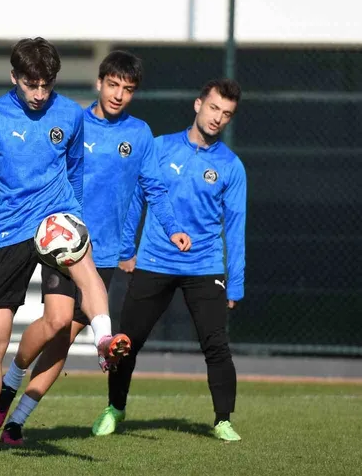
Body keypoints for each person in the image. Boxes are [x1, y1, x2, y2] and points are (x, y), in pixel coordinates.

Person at [0, 51, 191, 445]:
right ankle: (12, 379)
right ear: (99, 83)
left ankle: (16, 421)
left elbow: (154, 187)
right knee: (54, 323)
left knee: (63, 338)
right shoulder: (71, 119)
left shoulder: (139, 134)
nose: (119, 94)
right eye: (113, 85)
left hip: (101, 250)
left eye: (128, 89)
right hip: (60, 238)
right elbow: (21, 169)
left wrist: (172, 229)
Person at [0, 38, 135, 461]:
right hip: (8, 232)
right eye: (31, 85)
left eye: (46, 85)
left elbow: (74, 170)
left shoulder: (69, 114)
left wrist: (76, 217)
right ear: (14, 77)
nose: (39, 94)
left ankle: (103, 339)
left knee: (75, 295)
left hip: (55, 220)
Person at [92, 78, 246, 442]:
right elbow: (136, 200)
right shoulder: (159, 148)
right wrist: (127, 251)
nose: (218, 118)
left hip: (205, 266)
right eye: (213, 108)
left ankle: (223, 421)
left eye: (226, 114)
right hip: (154, 261)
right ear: (198, 105)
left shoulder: (231, 166)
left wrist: (235, 282)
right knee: (126, 342)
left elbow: (236, 227)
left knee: (216, 346)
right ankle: (115, 408)